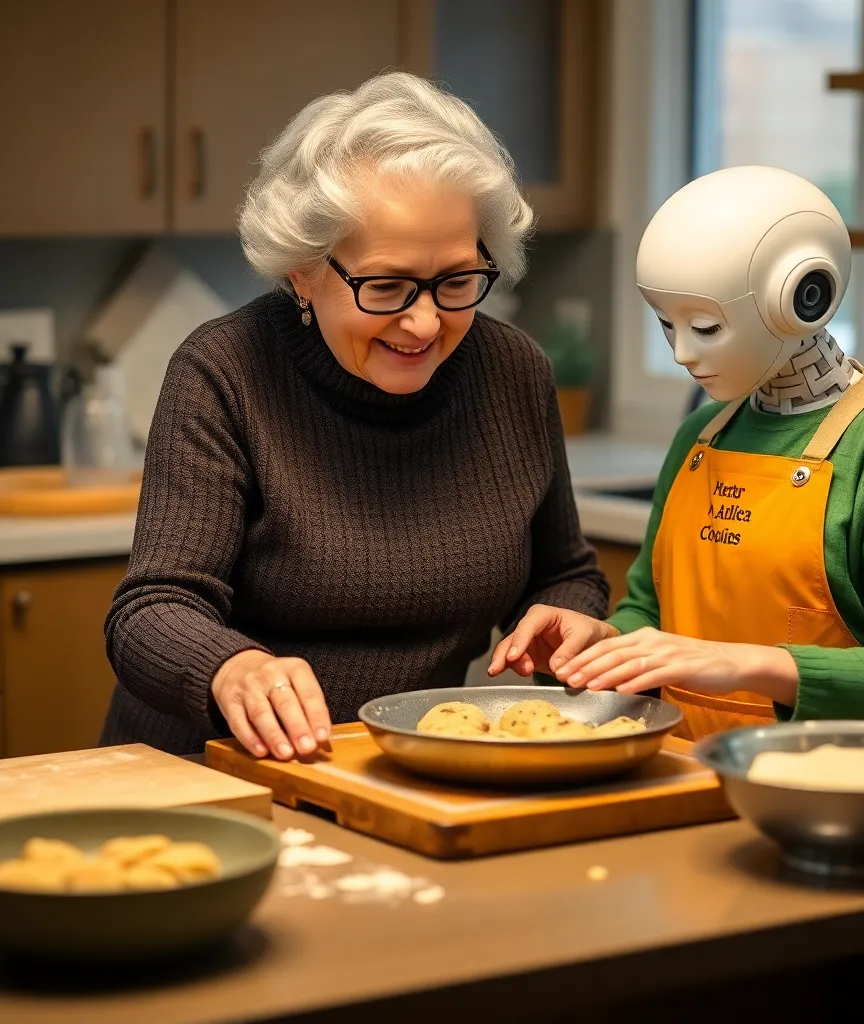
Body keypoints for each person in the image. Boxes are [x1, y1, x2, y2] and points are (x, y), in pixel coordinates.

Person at [102, 72, 608, 758]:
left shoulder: (514, 372)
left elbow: (564, 573)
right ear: (303, 274)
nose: (425, 322)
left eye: (458, 281)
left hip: (402, 765)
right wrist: (233, 667)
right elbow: (150, 610)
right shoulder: (225, 372)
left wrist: (570, 619)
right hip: (212, 769)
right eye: (387, 286)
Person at [489, 165, 864, 739]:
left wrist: (744, 662)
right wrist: (605, 648)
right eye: (668, 325)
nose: (682, 354)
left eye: (707, 327)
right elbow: (649, 609)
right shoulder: (700, 436)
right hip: (684, 773)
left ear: (802, 298)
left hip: (832, 784)